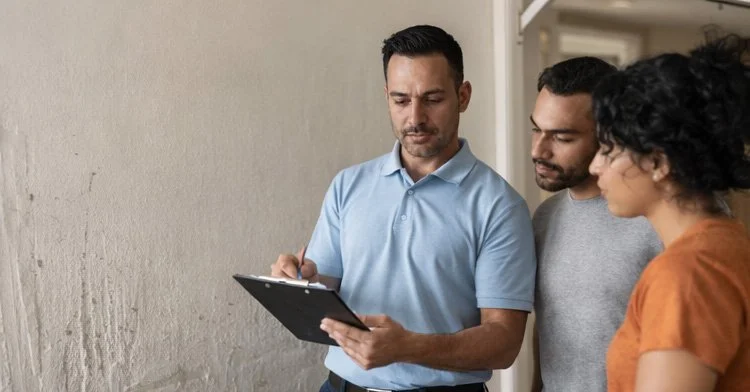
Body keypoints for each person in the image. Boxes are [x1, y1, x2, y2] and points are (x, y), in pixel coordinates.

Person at [270, 25, 537, 391]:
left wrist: (409, 348)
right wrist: (299, 281)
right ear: (387, 97)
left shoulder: (500, 207)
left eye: (433, 99)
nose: (415, 117)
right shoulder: (348, 185)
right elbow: (324, 286)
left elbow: (504, 342)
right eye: (400, 100)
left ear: (463, 95)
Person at [589, 34, 750, 391]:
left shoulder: (686, 273)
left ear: (659, 162)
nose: (595, 166)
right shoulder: (728, 242)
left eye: (608, 150)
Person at [529, 57, 662, 392]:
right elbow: (549, 327)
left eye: (562, 137)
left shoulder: (658, 217)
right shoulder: (545, 218)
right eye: (536, 129)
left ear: (608, 135)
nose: (538, 150)